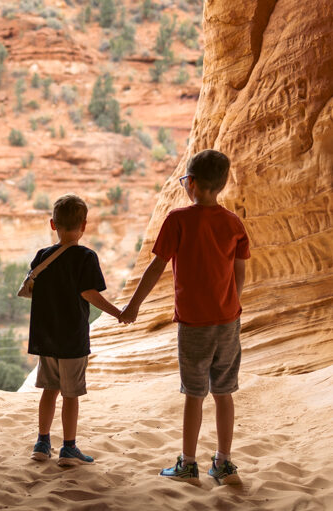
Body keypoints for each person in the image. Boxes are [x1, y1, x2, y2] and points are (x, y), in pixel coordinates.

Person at [119, 149, 250, 486]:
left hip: (194, 323)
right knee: (224, 392)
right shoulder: (234, 223)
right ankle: (223, 462)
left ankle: (188, 463)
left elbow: (156, 266)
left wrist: (133, 306)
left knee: (194, 393)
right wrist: (231, 304)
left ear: (191, 182)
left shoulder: (178, 220)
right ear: (220, 185)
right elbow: (239, 273)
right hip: (227, 320)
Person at [28, 194, 122, 466]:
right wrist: (117, 313)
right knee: (70, 395)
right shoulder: (86, 257)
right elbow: (89, 293)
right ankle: (69, 448)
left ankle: (42, 443)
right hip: (72, 338)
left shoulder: (41, 256)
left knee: (49, 390)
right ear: (84, 224)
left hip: (45, 337)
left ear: (52, 224)